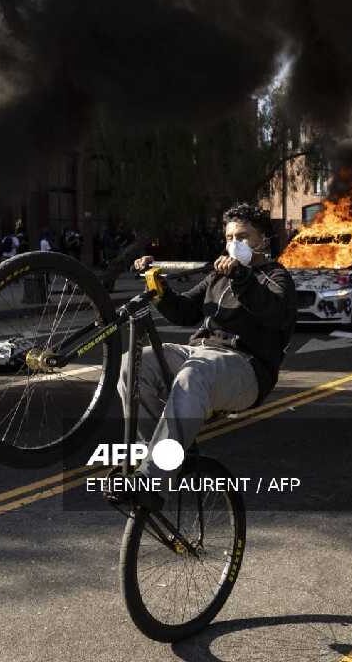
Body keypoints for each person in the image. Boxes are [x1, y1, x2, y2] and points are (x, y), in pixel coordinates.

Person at [119, 203, 296, 501]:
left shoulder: (276, 276)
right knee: (133, 363)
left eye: (243, 237)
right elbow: (184, 311)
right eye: (229, 238)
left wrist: (243, 278)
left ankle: (152, 479)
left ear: (263, 239)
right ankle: (164, 458)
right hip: (199, 351)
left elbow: (274, 312)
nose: (234, 244)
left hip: (247, 367)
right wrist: (156, 282)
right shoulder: (218, 275)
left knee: (195, 372)